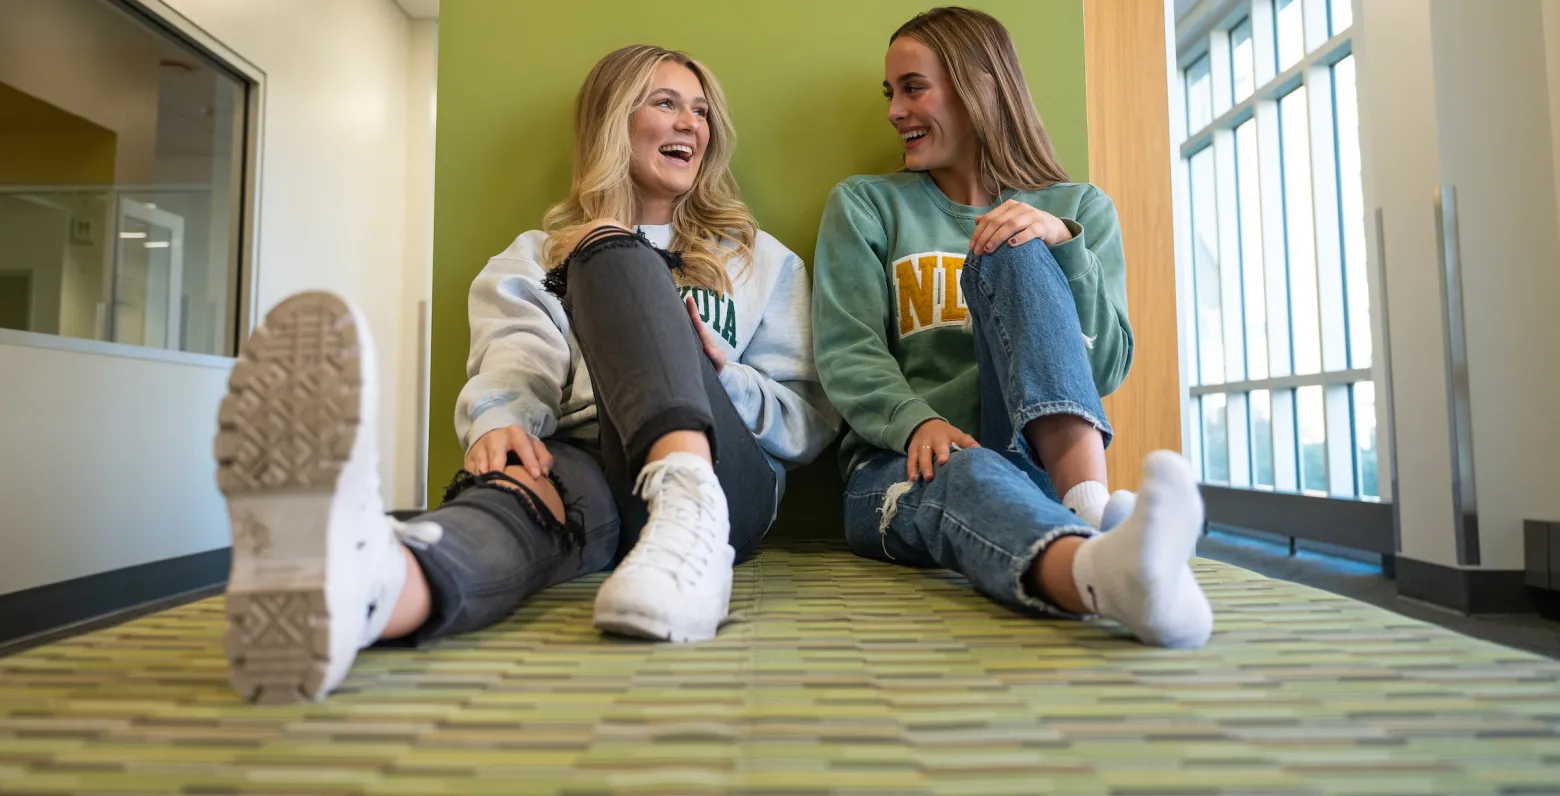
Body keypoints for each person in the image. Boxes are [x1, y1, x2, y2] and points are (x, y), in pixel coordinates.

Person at [215, 44, 839, 703]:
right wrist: (501, 421)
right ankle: (375, 588)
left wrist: (722, 373)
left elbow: (808, 421)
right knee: (519, 498)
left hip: (723, 478)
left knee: (605, 246)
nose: (691, 124)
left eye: (702, 112)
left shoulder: (757, 260)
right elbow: (518, 361)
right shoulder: (536, 258)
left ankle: (688, 509)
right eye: (665, 103)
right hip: (591, 457)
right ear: (611, 120)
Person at [811, 6, 1212, 649]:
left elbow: (1104, 367)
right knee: (964, 473)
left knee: (1016, 241)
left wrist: (1062, 246)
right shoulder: (866, 204)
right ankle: (1103, 566)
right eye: (891, 93)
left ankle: (1086, 512)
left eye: (913, 88)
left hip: (1037, 467)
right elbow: (846, 348)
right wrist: (919, 421)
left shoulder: (1078, 208)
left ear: (978, 87)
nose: (894, 111)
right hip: (901, 469)